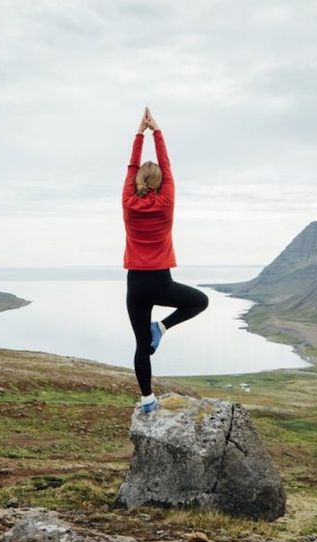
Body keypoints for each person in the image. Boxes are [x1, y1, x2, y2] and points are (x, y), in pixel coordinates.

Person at [122, 106, 209, 414]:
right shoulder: (167, 200)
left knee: (140, 345)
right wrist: (156, 131)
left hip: (136, 284)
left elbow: (132, 166)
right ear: (160, 182)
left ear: (136, 182)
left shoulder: (129, 203)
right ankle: (163, 327)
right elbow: (167, 165)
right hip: (161, 282)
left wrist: (138, 133)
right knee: (200, 301)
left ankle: (147, 401)